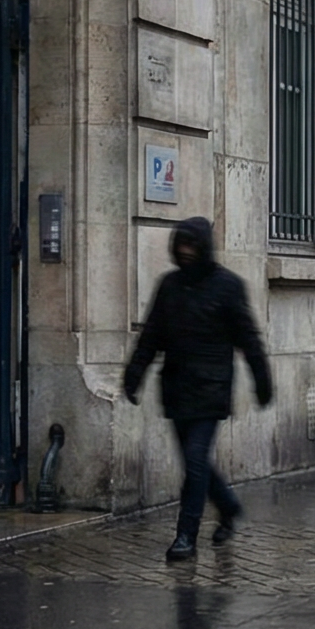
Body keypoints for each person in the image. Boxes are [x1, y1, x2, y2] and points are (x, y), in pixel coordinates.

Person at [123, 216, 273, 562]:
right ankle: (228, 506)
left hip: (211, 389)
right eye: (181, 245)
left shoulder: (228, 286)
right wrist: (134, 375)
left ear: (203, 247)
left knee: (194, 460)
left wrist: (262, 381)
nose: (186, 252)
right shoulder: (169, 285)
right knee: (197, 462)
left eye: (192, 245)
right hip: (176, 387)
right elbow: (151, 336)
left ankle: (185, 535)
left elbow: (248, 338)